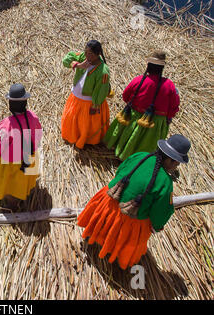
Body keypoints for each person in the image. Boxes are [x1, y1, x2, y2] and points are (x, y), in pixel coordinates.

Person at [77, 134, 191, 270]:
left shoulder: (140, 156)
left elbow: (120, 171)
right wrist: (157, 226)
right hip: (129, 221)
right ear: (171, 161)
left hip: (106, 203)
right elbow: (160, 212)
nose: (176, 166)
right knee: (136, 239)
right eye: (177, 163)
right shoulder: (165, 182)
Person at [103, 51, 180, 160]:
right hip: (155, 123)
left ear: (148, 66)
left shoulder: (139, 80)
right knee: (147, 143)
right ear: (161, 68)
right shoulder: (169, 85)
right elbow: (174, 106)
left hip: (134, 116)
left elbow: (126, 96)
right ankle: (140, 160)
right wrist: (168, 117)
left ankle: (121, 152)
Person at [0, 84, 42, 210]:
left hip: (11, 163)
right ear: (25, 102)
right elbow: (38, 135)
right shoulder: (33, 117)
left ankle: (11, 205)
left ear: (10, 104)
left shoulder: (6, 125)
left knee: (10, 185)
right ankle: (21, 196)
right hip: (29, 157)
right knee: (22, 182)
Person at [61, 40, 111, 149]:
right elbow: (66, 60)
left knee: (85, 125)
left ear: (98, 54)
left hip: (88, 104)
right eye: (86, 52)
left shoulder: (103, 72)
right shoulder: (82, 57)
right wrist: (78, 65)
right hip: (76, 98)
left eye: (90, 54)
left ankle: (85, 140)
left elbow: (101, 90)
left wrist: (95, 105)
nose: (87, 56)